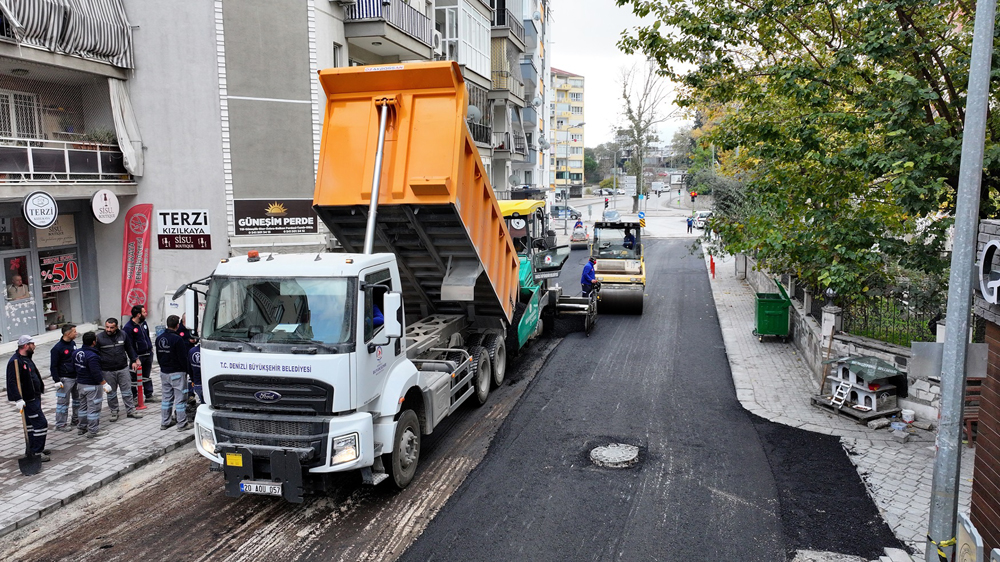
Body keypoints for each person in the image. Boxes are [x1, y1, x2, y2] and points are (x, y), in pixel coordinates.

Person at [6, 335, 50, 460]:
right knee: (41, 424)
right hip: (28, 400)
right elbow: (12, 382)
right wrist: (18, 398)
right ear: (26, 345)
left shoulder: (26, 359)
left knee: (31, 425)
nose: (34, 346)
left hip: (34, 397)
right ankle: (36, 452)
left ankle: (32, 448)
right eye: (32, 344)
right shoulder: (15, 362)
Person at [96, 318, 142, 422]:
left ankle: (131, 411)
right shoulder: (99, 338)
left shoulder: (123, 335)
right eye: (107, 327)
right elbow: (96, 354)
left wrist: (134, 360)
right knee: (111, 393)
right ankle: (114, 411)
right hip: (107, 370)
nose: (108, 329)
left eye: (111, 327)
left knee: (127, 391)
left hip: (123, 368)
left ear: (116, 327)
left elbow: (129, 348)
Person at [156, 315, 191, 431]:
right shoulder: (177, 339)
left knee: (166, 399)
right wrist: (187, 370)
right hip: (177, 372)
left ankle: (165, 422)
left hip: (164, 372)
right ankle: (182, 424)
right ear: (177, 325)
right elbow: (182, 357)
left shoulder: (159, 338)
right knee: (180, 399)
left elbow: (159, 356)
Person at [75, 331, 111, 438]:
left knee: (82, 407)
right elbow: (96, 373)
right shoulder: (92, 356)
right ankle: (93, 431)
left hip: (80, 384)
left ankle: (82, 427)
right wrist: (104, 384)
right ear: (94, 342)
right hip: (92, 386)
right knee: (93, 408)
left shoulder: (76, 353)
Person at [50, 324, 81, 431]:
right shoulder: (57, 349)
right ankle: (60, 424)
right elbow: (53, 366)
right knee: (63, 403)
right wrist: (56, 380)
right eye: (74, 332)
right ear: (68, 334)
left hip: (76, 376)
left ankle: (76, 419)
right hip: (65, 379)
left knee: (78, 400)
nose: (76, 333)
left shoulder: (72, 343)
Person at [123, 305, 156, 403]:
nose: (146, 313)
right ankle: (134, 396)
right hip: (138, 356)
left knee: (146, 375)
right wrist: (134, 359)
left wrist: (150, 348)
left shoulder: (144, 323)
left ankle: (149, 395)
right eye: (144, 312)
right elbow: (129, 346)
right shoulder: (128, 328)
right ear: (138, 314)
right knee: (134, 377)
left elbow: (147, 336)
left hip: (148, 354)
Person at [187, 338, 203, 404]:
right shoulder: (209, 352)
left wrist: (192, 379)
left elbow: (189, 368)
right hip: (206, 384)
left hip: (197, 384)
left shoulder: (192, 351)